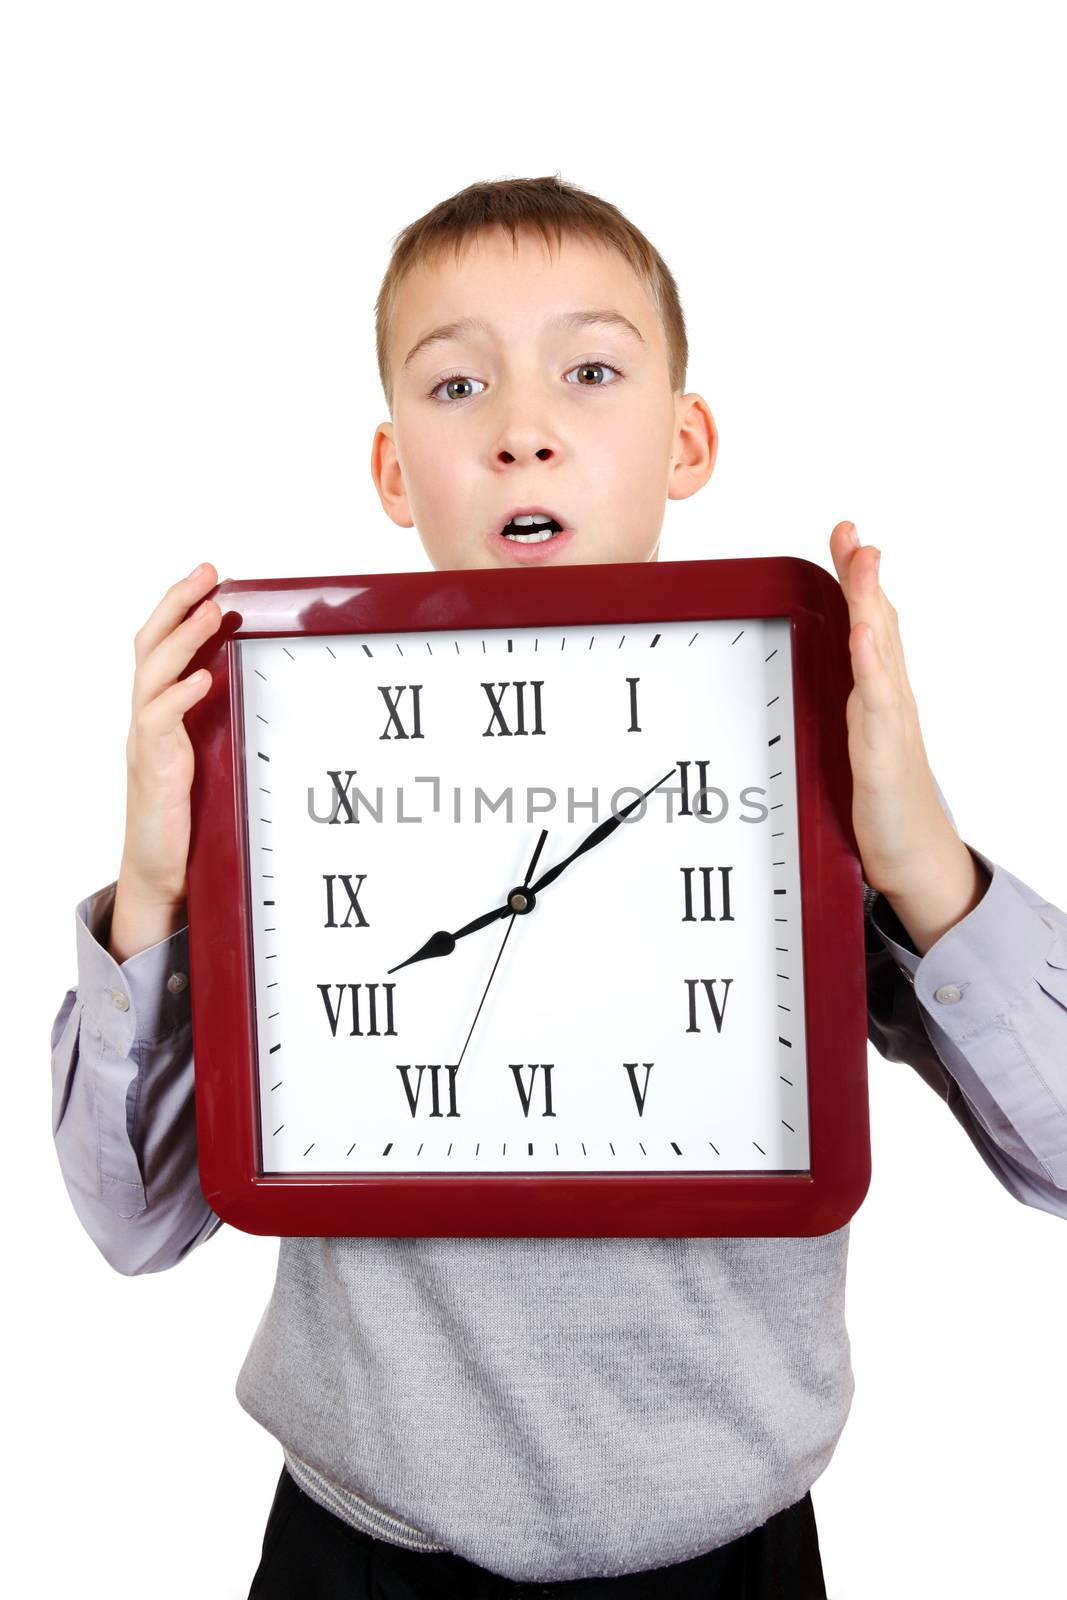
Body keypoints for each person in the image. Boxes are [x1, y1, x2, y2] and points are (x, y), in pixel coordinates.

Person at [50, 175, 1067, 1599]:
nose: (524, 427)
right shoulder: (290, 754)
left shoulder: (789, 736)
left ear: (687, 439)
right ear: (396, 470)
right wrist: (157, 887)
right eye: (457, 384)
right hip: (363, 1546)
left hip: (730, 1552)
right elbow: (137, 1222)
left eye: (591, 371)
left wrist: (918, 861)